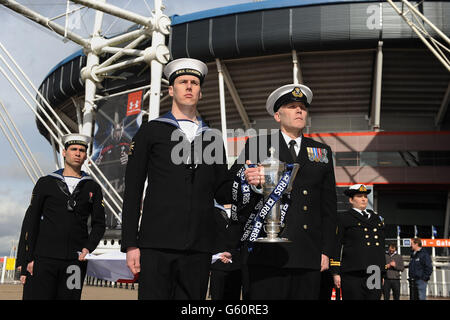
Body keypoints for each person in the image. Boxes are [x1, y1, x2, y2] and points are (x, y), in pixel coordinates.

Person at [121, 58, 233, 300]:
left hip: (199, 248)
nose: (189, 86)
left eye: (194, 82)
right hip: (156, 244)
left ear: (201, 92)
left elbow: (222, 191)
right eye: (183, 82)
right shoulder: (151, 131)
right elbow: (133, 189)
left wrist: (246, 178)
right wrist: (131, 243)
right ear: (171, 90)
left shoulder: (212, 137)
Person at [231, 84, 337, 300]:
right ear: (278, 115)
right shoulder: (259, 144)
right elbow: (229, 188)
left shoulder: (321, 152)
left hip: (308, 252)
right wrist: (249, 180)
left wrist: (327, 252)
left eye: (303, 108)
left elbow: (328, 207)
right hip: (266, 252)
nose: (299, 111)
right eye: (292, 106)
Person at [16, 133, 106, 300]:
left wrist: (88, 248)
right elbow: (31, 223)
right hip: (43, 260)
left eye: (81, 150)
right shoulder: (45, 183)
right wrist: (27, 260)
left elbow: (99, 223)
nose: (78, 153)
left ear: (86, 155)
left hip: (75, 263)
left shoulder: (92, 187)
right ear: (64, 153)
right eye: (73, 149)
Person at [331, 184, 386, 300]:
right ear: (351, 200)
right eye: (359, 196)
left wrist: (382, 272)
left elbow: (380, 246)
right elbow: (336, 245)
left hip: (374, 271)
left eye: (365, 196)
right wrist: (335, 272)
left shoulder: (376, 218)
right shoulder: (343, 218)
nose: (363, 199)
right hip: (352, 272)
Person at [209, 203, 243, 300]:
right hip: (216, 264)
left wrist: (233, 253)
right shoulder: (211, 210)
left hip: (237, 263)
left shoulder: (242, 210)